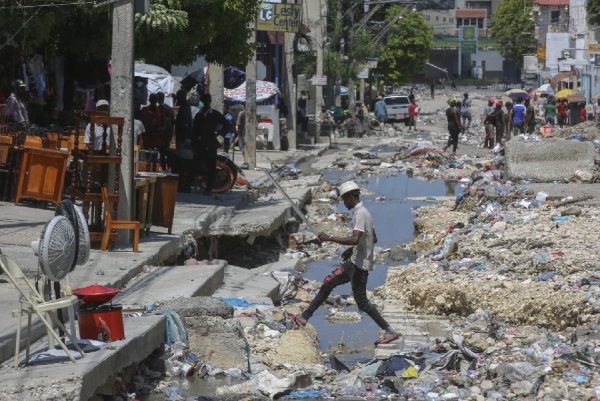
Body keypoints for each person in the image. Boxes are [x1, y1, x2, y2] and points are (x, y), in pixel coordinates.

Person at [291, 181, 401, 346]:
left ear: (351, 197)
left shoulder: (361, 214)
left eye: (344, 200)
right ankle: (304, 316)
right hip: (353, 261)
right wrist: (352, 250)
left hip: (359, 266)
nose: (344, 203)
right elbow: (372, 237)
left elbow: (355, 238)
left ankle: (389, 330)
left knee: (362, 301)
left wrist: (329, 238)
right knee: (329, 282)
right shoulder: (362, 213)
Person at [191, 93, 231, 196]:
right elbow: (194, 131)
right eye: (205, 100)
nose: (206, 102)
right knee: (198, 166)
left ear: (210, 101)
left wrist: (219, 133)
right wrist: (193, 144)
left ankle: (209, 188)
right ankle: (199, 185)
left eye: (208, 100)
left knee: (211, 167)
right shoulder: (199, 115)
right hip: (200, 144)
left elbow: (227, 124)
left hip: (210, 143)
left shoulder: (215, 114)